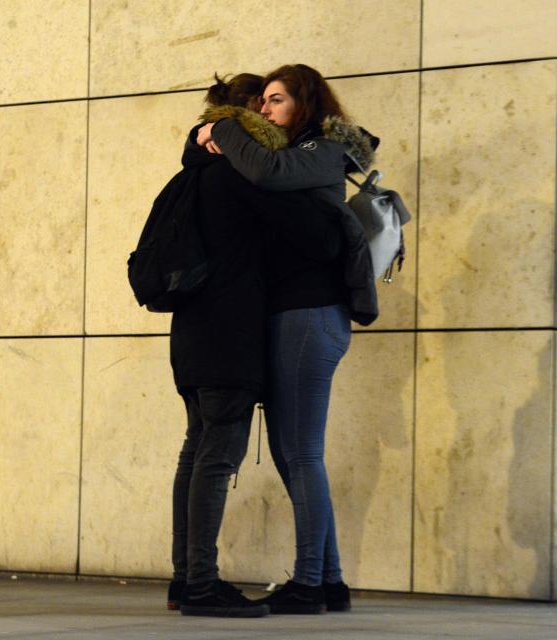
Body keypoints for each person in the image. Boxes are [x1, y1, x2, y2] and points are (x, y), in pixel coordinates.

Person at [196, 63, 379, 614]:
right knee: (291, 451)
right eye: (261, 102)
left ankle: (309, 583)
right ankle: (330, 581)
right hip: (293, 315)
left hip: (311, 314)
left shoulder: (322, 150)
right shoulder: (296, 150)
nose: (265, 109)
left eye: (275, 100)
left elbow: (268, 172)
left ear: (305, 102)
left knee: (300, 453)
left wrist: (224, 127)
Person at [166, 73, 312, 618]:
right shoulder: (237, 177)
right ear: (251, 109)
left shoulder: (192, 172)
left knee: (195, 450)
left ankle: (184, 580)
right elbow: (309, 233)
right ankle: (203, 584)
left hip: (191, 332)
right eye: (265, 104)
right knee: (216, 456)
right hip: (230, 334)